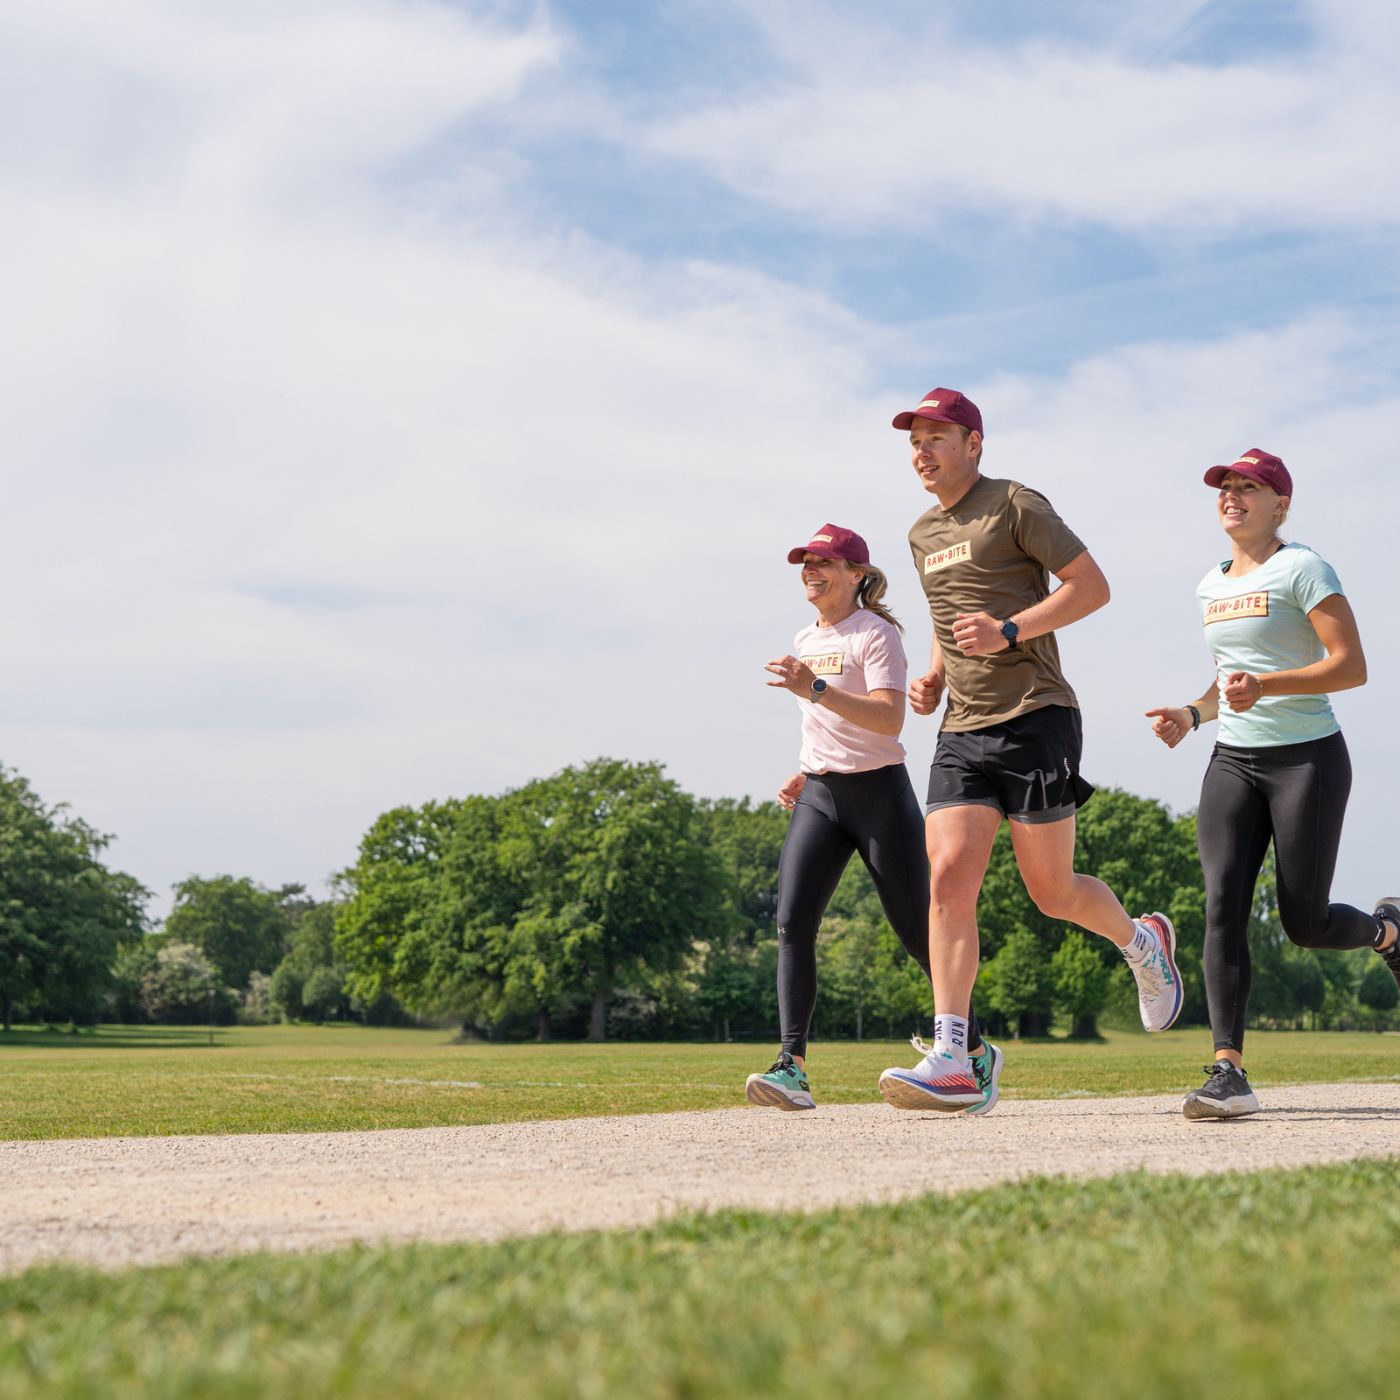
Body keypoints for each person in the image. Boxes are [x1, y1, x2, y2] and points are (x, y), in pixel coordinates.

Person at [877, 388, 1182, 1112]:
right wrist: (933, 675)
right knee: (949, 876)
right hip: (961, 727)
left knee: (1052, 892)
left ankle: (1141, 942)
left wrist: (1011, 630)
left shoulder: (1016, 503)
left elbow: (1092, 587)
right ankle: (955, 1052)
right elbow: (945, 619)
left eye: (937, 437)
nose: (923, 451)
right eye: (914, 440)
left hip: (1036, 714)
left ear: (974, 442)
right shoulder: (920, 532)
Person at [1146, 448, 1400, 1121]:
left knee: (1305, 923)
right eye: (1225, 487)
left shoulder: (1305, 568)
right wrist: (1194, 714)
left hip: (1307, 759)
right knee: (1222, 902)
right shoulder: (1210, 585)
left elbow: (1351, 666)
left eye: (1248, 487)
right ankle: (1228, 1070)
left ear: (1280, 504)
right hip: (1233, 759)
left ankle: (1388, 934)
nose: (1232, 496)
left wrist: (1268, 687)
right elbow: (1231, 675)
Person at [746, 523, 1001, 1113]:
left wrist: (815, 689)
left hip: (879, 796)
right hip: (821, 795)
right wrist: (806, 771)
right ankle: (792, 1067)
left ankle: (975, 1049)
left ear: (856, 574)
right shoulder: (805, 638)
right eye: (805, 563)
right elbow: (826, 724)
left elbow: (889, 720)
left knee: (918, 933)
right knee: (792, 921)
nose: (811, 571)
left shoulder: (877, 632)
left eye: (824, 563)